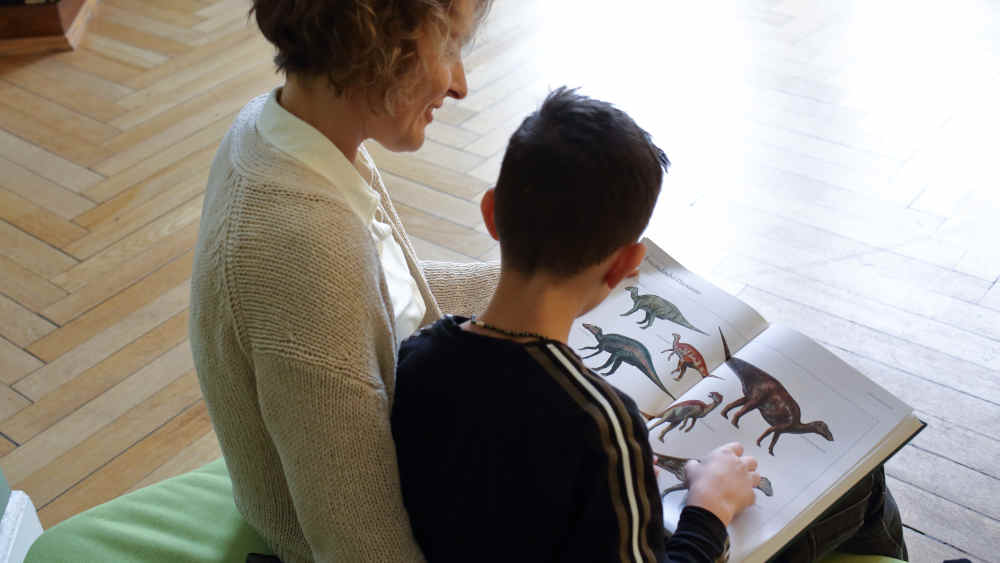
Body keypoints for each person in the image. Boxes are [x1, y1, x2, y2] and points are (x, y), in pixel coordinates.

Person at [391, 87, 909, 563]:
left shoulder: (416, 361)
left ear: (491, 213)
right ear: (625, 265)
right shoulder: (601, 422)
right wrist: (709, 509)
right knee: (864, 484)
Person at [189, 1, 497, 561]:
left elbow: (385, 297)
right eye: (449, 45)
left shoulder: (287, 130)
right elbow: (359, 543)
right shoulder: (301, 245)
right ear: (376, 41)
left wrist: (556, 284)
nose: (460, 85)